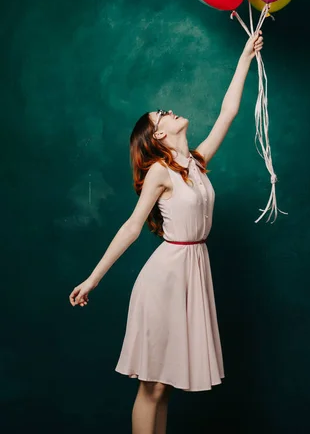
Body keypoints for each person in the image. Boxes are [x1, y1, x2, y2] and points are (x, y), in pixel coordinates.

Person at [69, 29, 264, 434]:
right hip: (165, 278)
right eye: (164, 115)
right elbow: (131, 226)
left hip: (192, 273)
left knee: (166, 385)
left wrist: (245, 56)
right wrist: (92, 279)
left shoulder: (195, 161)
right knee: (153, 384)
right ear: (158, 136)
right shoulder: (159, 171)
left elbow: (228, 113)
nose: (172, 112)